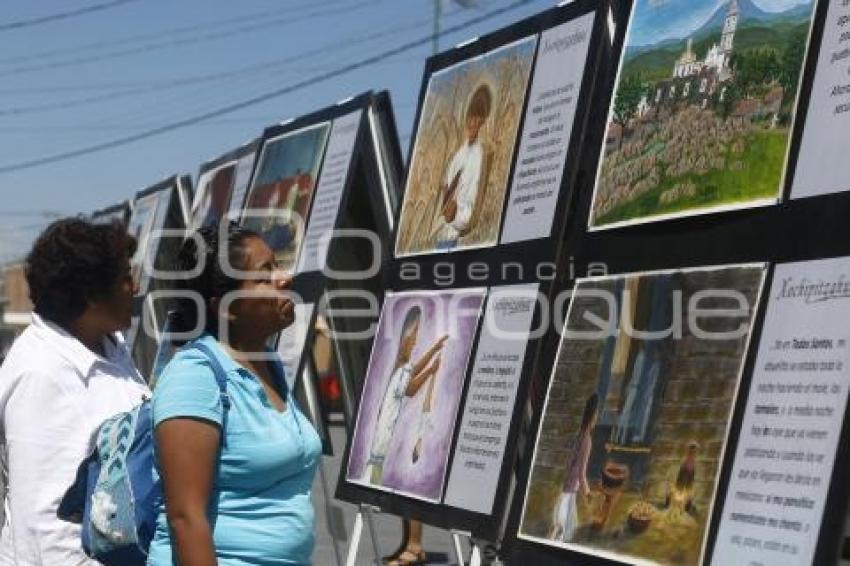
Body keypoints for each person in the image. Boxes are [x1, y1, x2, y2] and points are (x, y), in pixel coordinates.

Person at [148, 223, 322, 565]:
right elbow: (185, 518)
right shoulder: (194, 377)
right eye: (264, 274)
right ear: (226, 306)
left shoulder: (267, 362)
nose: (284, 278)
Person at [0, 218, 149, 564]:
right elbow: (47, 526)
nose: (135, 285)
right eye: (124, 277)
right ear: (90, 295)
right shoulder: (41, 375)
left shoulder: (108, 345)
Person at [361, 306, 446, 485]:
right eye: (414, 334)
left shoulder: (401, 367)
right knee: (372, 483)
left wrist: (433, 350)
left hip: (381, 450)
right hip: (379, 452)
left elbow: (413, 372)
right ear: (406, 337)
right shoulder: (401, 369)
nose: (415, 341)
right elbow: (410, 389)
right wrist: (431, 370)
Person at [433, 83, 492, 250]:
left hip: (456, 239)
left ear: (483, 121)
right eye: (471, 117)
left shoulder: (479, 155)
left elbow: (472, 204)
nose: (473, 122)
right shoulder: (458, 154)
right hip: (442, 234)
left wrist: (455, 213)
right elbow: (446, 191)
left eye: (478, 118)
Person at [550, 393, 599, 542]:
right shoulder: (587, 440)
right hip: (570, 489)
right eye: (597, 413)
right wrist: (588, 493)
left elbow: (570, 462)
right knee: (560, 528)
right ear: (593, 415)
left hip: (568, 486)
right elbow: (581, 473)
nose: (598, 416)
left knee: (562, 527)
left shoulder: (580, 435)